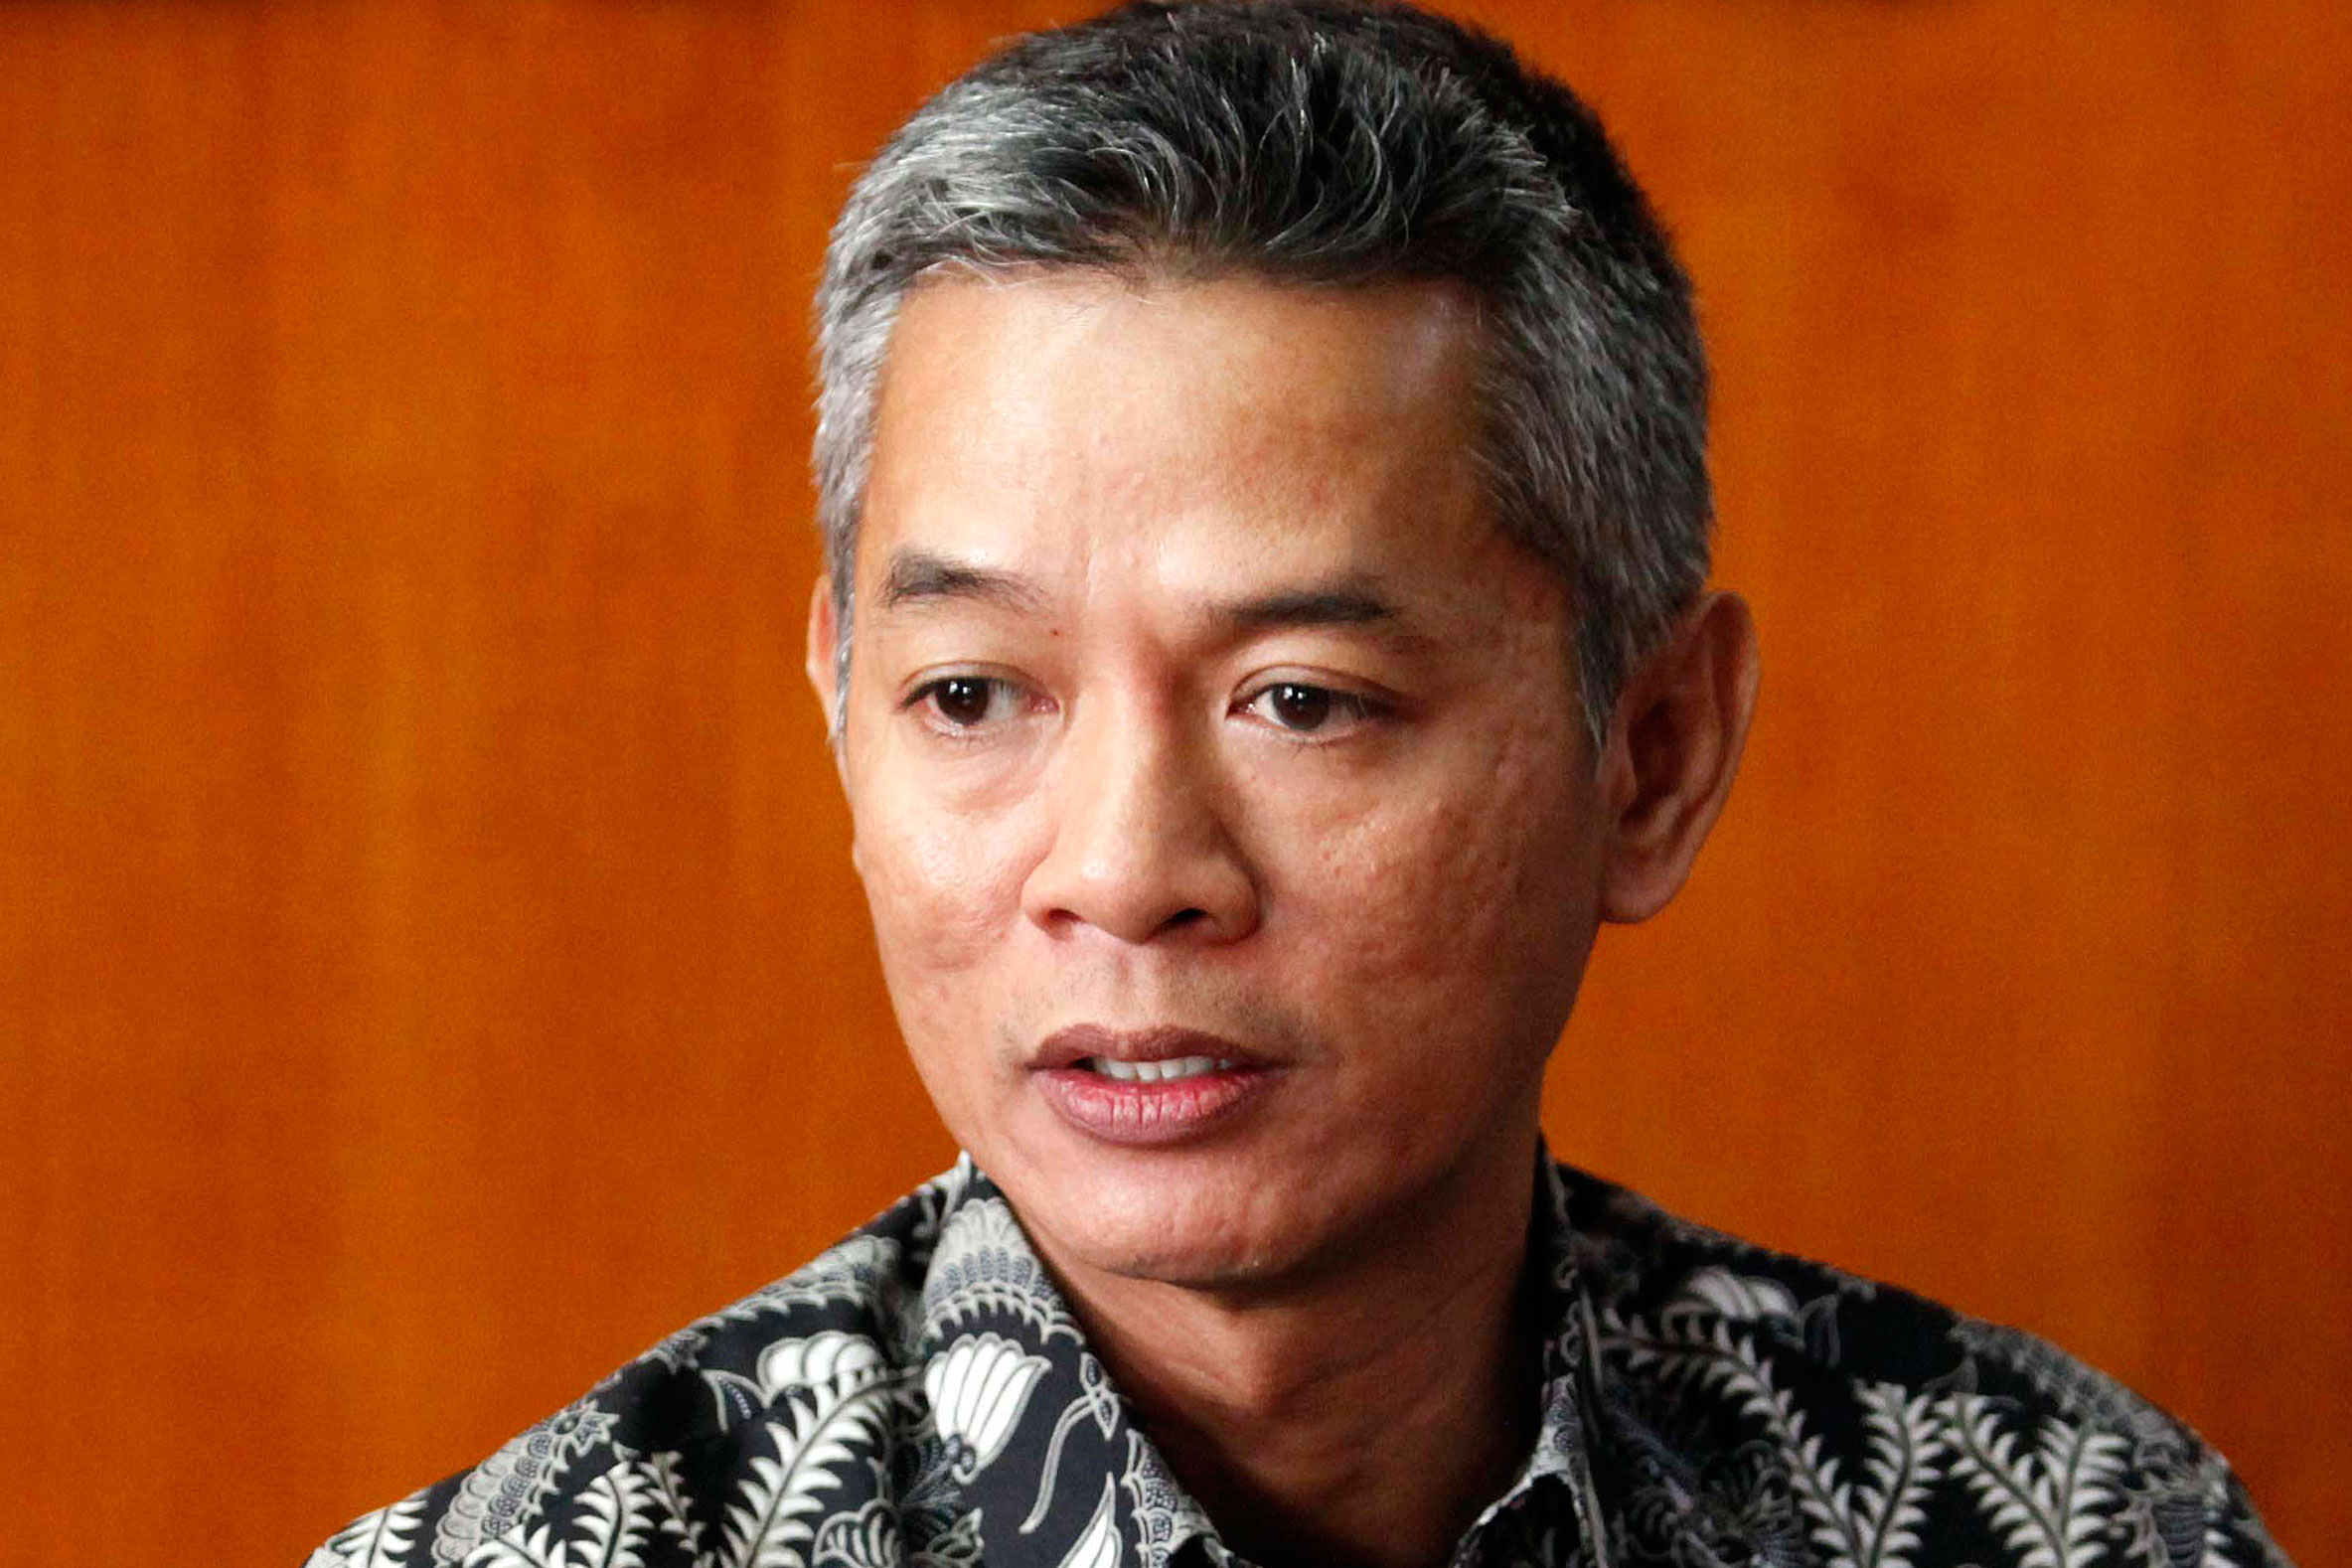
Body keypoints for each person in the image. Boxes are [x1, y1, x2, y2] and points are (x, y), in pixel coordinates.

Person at [308, 3, 2286, 1566]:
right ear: (845, 706)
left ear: (1653, 755)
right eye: (974, 691)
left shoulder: (2073, 1524)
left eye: (1303, 701)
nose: (1123, 871)